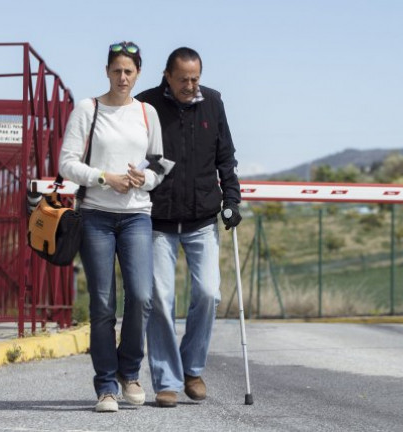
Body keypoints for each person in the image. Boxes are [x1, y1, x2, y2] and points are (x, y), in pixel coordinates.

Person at [59, 41, 167, 413]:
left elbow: (160, 165)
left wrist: (144, 178)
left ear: (138, 74)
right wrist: (106, 178)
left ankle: (130, 371)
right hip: (96, 217)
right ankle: (106, 385)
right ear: (107, 71)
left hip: (137, 215)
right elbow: (67, 164)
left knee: (141, 296)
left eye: (130, 71)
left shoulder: (147, 112)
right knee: (103, 304)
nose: (123, 77)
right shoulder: (88, 109)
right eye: (117, 70)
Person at [136, 47, 242, 408]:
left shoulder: (212, 102)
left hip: (201, 219)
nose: (190, 85)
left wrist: (232, 200)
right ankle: (167, 380)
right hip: (158, 220)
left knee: (209, 293)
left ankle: (192, 368)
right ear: (167, 75)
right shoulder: (145, 105)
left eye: (195, 78)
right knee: (160, 300)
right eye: (183, 79)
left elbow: (225, 156)